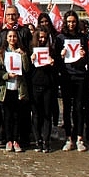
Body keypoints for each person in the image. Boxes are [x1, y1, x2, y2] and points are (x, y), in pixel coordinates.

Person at [56, 10, 89, 152]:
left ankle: (79, 137)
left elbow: (87, 58)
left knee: (79, 107)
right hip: (66, 76)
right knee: (67, 108)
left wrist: (84, 55)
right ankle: (69, 137)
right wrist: (61, 55)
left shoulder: (82, 37)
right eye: (69, 21)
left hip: (80, 76)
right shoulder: (60, 38)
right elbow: (56, 59)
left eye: (73, 21)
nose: (71, 24)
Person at [0, 29, 31, 152]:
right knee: (7, 116)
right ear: (6, 38)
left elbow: (26, 69)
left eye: (14, 36)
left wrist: (24, 55)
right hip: (6, 89)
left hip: (18, 88)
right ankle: (8, 140)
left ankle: (16, 140)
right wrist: (6, 75)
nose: (12, 39)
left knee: (17, 116)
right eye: (10, 36)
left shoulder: (21, 52)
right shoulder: (0, 53)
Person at [29, 25, 57, 153]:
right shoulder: (31, 49)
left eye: (44, 38)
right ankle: (37, 140)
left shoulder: (51, 50)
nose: (42, 39)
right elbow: (25, 69)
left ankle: (46, 140)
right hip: (34, 84)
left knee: (47, 114)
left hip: (48, 84)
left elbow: (57, 70)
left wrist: (52, 63)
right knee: (36, 114)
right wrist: (30, 60)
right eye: (40, 37)